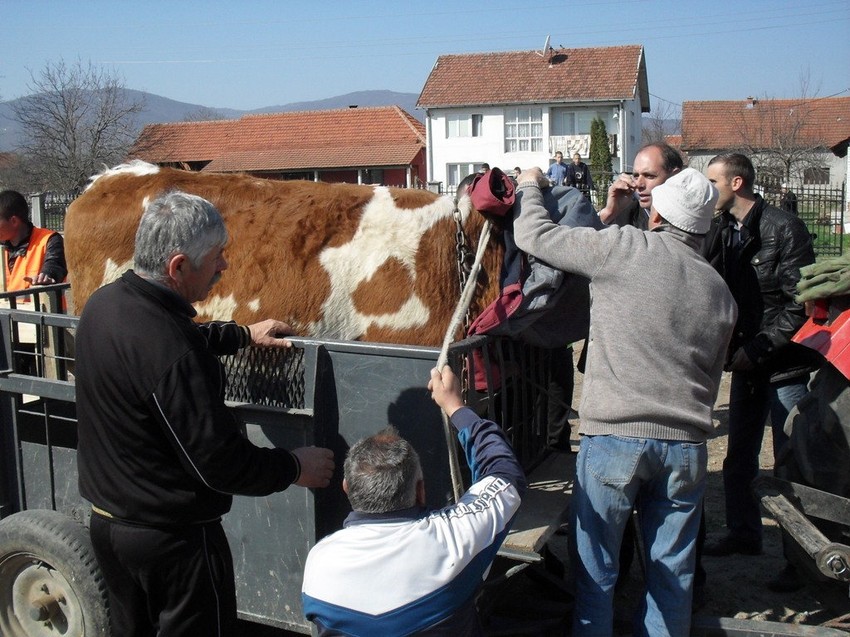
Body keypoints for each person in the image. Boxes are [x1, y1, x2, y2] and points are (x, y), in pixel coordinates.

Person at [75, 191, 336, 637]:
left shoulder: (105, 305)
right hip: (173, 546)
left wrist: (241, 335)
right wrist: (295, 466)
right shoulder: (172, 353)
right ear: (177, 267)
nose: (224, 267)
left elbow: (166, 345)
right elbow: (220, 466)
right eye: (216, 258)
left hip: (108, 527)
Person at [513, 166, 736, 636]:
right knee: (672, 578)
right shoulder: (721, 292)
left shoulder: (624, 248)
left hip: (615, 439)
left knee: (596, 577)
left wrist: (531, 185)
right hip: (687, 448)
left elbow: (534, 235)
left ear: (656, 214)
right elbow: (713, 380)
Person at [302, 365, 526, 636]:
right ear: (421, 490)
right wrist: (456, 407)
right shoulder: (456, 539)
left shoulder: (319, 562)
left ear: (346, 489)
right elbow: (505, 473)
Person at [701, 154, 819, 561]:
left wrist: (759, 347)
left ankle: (799, 558)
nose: (706, 189)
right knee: (739, 458)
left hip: (784, 365)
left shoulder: (783, 228)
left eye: (712, 181)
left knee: (790, 463)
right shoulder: (722, 229)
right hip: (747, 364)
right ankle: (744, 534)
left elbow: (800, 302)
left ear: (736, 183)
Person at [597, 142, 684, 229]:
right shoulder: (626, 217)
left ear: (675, 177)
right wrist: (609, 213)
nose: (638, 184)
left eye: (649, 176)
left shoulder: (693, 219)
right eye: (636, 176)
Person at [0, 189, 67, 290]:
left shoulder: (49, 240)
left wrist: (47, 275)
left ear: (14, 221)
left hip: (39, 306)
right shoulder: (2, 248)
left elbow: (56, 265)